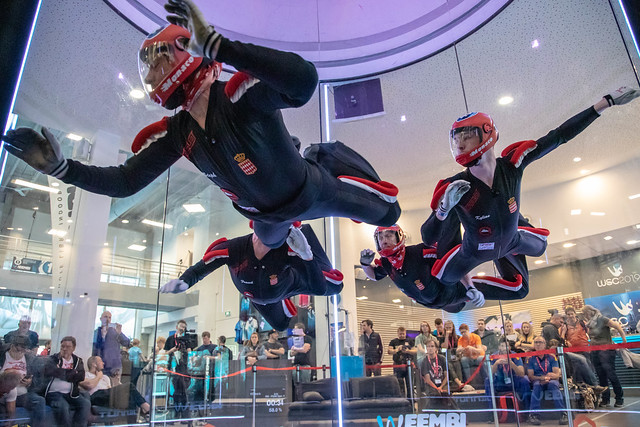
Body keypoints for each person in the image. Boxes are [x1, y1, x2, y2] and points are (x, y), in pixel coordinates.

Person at [2, 0, 401, 258]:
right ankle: (291, 224)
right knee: (273, 240)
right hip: (263, 213)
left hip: (311, 190)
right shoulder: (177, 132)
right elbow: (125, 181)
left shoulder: (240, 96)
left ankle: (321, 155)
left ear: (186, 54)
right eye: (150, 68)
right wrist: (61, 169)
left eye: (159, 63)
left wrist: (218, 46)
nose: (154, 73)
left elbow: (302, 82)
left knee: (388, 214)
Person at [422, 86, 640, 300]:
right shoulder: (456, 185)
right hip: (474, 250)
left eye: (466, 136)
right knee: (446, 280)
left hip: (512, 240)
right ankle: (469, 289)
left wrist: (604, 104)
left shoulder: (513, 165)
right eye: (456, 139)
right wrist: (443, 210)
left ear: (486, 134)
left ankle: (516, 224)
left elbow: (558, 136)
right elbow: (428, 237)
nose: (460, 145)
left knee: (540, 248)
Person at [161, 224, 343, 330]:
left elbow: (319, 288)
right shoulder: (233, 249)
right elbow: (200, 268)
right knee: (280, 325)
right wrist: (183, 282)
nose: (269, 246)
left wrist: (306, 254)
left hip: (289, 283)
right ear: (255, 234)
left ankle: (307, 234)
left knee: (335, 286)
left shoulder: (288, 249)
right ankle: (283, 302)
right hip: (259, 297)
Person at [360, 225, 487, 313]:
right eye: (381, 238)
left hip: (453, 294)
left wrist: (470, 286)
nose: (384, 240)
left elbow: (454, 261)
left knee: (500, 290)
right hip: (433, 304)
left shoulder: (420, 251)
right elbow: (375, 275)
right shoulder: (386, 263)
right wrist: (365, 264)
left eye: (388, 236)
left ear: (399, 236)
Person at [582, 304, 627, 408]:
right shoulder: (589, 323)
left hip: (607, 351)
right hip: (595, 351)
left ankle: (619, 398)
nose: (584, 315)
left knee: (611, 374)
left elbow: (618, 326)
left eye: (585, 313)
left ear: (590, 311)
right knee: (601, 376)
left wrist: (624, 341)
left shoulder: (602, 319)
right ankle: (605, 399)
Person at [44, 336, 91, 427]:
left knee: (85, 404)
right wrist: (72, 372)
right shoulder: (53, 359)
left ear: (73, 348)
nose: (64, 349)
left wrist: (63, 372)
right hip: (53, 393)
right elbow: (51, 372)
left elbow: (81, 376)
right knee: (63, 406)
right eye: (62, 346)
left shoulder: (77, 360)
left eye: (68, 347)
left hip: (71, 393)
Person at [80, 355, 150, 416]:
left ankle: (132, 423)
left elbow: (110, 392)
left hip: (106, 397)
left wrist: (117, 384)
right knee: (129, 385)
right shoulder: (85, 375)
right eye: (100, 361)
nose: (103, 363)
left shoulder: (105, 377)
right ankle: (145, 407)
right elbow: (90, 385)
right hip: (95, 396)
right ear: (94, 364)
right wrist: (98, 376)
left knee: (130, 395)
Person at [0, 335, 46, 427]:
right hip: (4, 392)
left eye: (23, 350)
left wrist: (30, 382)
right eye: (17, 350)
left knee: (39, 401)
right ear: (12, 346)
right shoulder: (2, 356)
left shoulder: (29, 359)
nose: (19, 353)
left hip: (22, 394)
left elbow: (38, 380)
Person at [485, 339, 531, 422]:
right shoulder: (493, 356)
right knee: (487, 381)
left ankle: (527, 413)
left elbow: (521, 373)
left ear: (509, 347)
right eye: (502, 346)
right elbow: (489, 374)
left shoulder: (515, 356)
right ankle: (492, 414)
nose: (504, 348)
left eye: (506, 346)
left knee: (524, 381)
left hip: (513, 380)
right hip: (500, 381)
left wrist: (512, 364)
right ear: (498, 347)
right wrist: (496, 364)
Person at [526, 336, 567, 425]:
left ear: (544, 345)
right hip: (538, 379)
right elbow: (530, 376)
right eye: (536, 342)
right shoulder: (531, 358)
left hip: (551, 379)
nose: (538, 344)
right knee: (536, 386)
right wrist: (541, 378)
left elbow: (557, 375)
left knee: (553, 385)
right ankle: (533, 415)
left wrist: (549, 378)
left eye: (540, 342)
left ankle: (563, 413)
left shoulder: (552, 357)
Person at [164, 319, 192, 419]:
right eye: (181, 326)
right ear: (177, 327)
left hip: (184, 368)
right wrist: (173, 350)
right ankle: (176, 412)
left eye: (184, 327)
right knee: (176, 390)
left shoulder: (186, 339)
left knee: (184, 390)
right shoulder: (170, 339)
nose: (182, 329)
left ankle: (184, 414)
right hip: (174, 367)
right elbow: (165, 354)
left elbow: (190, 352)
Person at [93, 311, 130, 376]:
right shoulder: (96, 332)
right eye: (105, 317)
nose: (107, 319)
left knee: (115, 385)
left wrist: (120, 333)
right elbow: (93, 348)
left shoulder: (115, 332)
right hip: (100, 366)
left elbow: (126, 343)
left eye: (109, 317)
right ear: (101, 319)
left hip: (114, 366)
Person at [438, 320, 471, 391]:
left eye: (450, 327)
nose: (448, 329)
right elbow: (444, 348)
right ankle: (459, 384)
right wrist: (446, 336)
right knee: (449, 365)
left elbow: (459, 348)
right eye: (446, 328)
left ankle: (461, 383)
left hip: (456, 357)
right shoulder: (441, 338)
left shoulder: (457, 337)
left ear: (453, 328)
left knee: (457, 363)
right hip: (446, 357)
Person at [420, 340, 451, 407]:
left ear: (436, 348)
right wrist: (437, 389)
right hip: (431, 386)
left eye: (432, 346)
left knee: (446, 394)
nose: (430, 348)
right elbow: (427, 380)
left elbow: (446, 376)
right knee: (435, 395)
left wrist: (441, 387)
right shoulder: (424, 361)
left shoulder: (442, 359)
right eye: (428, 346)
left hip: (442, 384)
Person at [388, 326, 416, 397]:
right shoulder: (393, 341)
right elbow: (389, 351)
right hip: (398, 365)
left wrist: (408, 351)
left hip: (408, 365)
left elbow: (415, 351)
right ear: (397, 333)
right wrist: (397, 349)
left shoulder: (410, 341)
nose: (402, 335)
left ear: (405, 333)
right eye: (400, 334)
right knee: (399, 384)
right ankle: (401, 400)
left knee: (410, 384)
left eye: (403, 334)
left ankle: (411, 400)